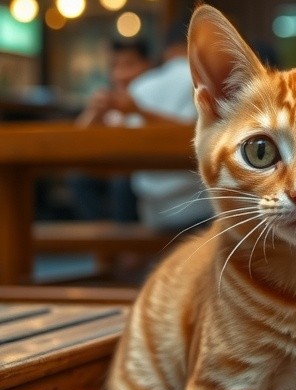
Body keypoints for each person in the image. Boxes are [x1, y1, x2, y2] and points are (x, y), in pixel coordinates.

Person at [109, 19, 213, 232]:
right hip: (202, 210)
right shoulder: (207, 81)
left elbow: (123, 145)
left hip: (153, 213)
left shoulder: (140, 86)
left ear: (166, 49)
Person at [71, 38, 151, 221]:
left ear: (147, 65)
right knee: (80, 178)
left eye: (129, 65)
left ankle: (124, 237)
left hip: (147, 173)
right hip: (115, 170)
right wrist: (94, 113)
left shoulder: (153, 98)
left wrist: (137, 110)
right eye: (114, 66)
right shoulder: (108, 102)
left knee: (122, 181)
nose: (120, 74)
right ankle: (100, 235)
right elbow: (75, 143)